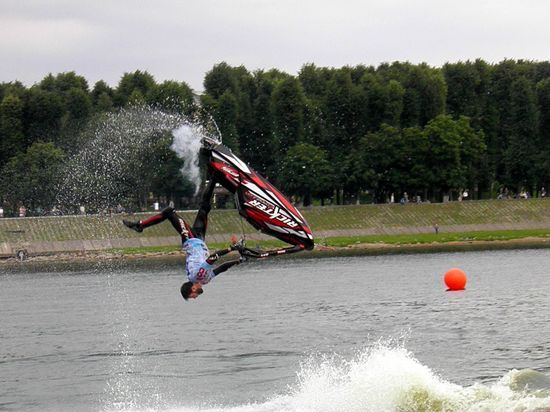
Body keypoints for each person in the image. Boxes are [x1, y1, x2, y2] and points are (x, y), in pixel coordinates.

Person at [122, 173, 305, 301]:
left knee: (170, 211)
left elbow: (212, 259)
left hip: (190, 240)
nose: (195, 297)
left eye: (192, 296)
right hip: (199, 239)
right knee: (205, 208)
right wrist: (238, 261)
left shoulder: (198, 276)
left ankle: (140, 226)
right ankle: (215, 177)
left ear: (191, 289)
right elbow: (221, 269)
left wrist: (232, 249)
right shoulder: (206, 280)